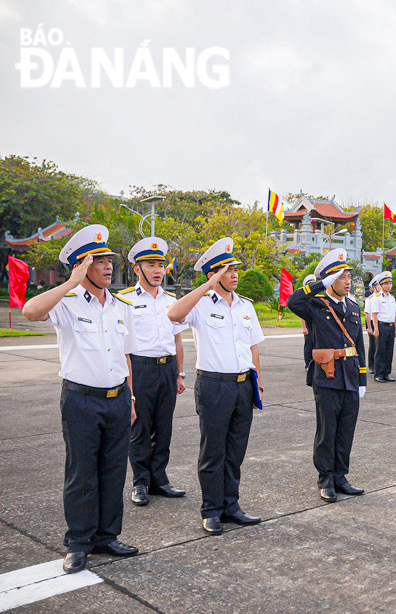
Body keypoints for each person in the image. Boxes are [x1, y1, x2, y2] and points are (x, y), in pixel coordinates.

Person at [22, 225, 139, 573]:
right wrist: (70, 283)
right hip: (80, 401)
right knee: (81, 473)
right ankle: (78, 542)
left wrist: (130, 398)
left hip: (118, 398)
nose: (107, 266)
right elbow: (30, 311)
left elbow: (126, 355)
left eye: (108, 260)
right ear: (79, 266)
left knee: (114, 471)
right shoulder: (66, 303)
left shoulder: (121, 306)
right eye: (98, 260)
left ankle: (107, 536)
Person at [167, 237, 264, 536]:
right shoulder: (200, 305)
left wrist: (257, 383)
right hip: (214, 385)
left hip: (242, 385)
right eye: (226, 270)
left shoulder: (245, 305)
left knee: (235, 450)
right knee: (213, 452)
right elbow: (173, 315)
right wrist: (206, 287)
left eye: (235, 269)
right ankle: (211, 510)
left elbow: (253, 347)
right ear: (212, 275)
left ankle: (230, 505)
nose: (234, 274)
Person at [287, 249, 367, 502]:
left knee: (346, 429)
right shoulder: (316, 306)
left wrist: (362, 379)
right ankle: (326, 478)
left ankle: (341, 476)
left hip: (350, 377)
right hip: (327, 377)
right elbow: (292, 302)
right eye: (341, 277)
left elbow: (359, 345)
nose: (347, 281)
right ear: (331, 280)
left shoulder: (354, 308)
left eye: (348, 277)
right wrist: (320, 284)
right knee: (327, 430)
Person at [120, 237, 188, 506]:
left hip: (167, 368)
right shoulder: (123, 300)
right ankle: (140, 482)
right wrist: (128, 383)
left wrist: (180, 373)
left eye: (160, 264)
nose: (158, 270)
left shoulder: (171, 300)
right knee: (139, 427)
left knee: (163, 426)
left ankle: (159, 479)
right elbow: (122, 346)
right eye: (151, 264)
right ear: (137, 269)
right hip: (139, 368)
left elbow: (178, 340)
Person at [370, 271, 396, 383]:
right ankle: (379, 374)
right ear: (381, 285)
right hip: (382, 326)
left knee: (389, 351)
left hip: (391, 327)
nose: (389, 286)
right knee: (380, 351)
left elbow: (395, 315)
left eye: (390, 283)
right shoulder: (377, 298)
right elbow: (374, 314)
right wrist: (376, 329)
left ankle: (387, 373)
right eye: (386, 283)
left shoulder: (392, 298)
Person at [364, 275, 379, 373]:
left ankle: (378, 365)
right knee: (373, 345)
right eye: (379, 285)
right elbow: (367, 314)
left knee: (379, 346)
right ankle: (372, 365)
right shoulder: (370, 298)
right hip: (372, 323)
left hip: (379, 322)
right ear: (374, 287)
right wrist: (369, 327)